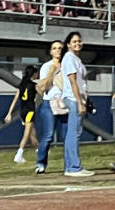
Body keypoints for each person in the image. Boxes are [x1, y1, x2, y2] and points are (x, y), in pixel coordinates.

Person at [59, 30, 94, 177]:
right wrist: (80, 102)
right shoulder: (69, 58)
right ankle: (73, 167)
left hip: (76, 98)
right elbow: (73, 81)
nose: (77, 43)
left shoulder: (75, 58)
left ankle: (70, 166)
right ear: (68, 44)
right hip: (74, 99)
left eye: (79, 41)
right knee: (74, 133)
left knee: (72, 133)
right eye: (74, 42)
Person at [34, 39, 68, 175]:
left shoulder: (67, 64)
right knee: (48, 135)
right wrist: (52, 72)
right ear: (50, 51)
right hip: (50, 102)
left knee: (67, 136)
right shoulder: (46, 66)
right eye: (54, 48)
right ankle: (41, 163)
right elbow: (43, 87)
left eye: (60, 48)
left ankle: (69, 164)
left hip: (65, 103)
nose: (57, 50)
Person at [6, 65, 41, 164]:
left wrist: (9, 113)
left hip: (23, 112)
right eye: (36, 73)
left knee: (32, 133)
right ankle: (19, 154)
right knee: (26, 134)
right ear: (33, 74)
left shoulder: (22, 85)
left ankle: (40, 150)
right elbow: (44, 94)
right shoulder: (34, 85)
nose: (37, 74)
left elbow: (15, 100)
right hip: (30, 110)